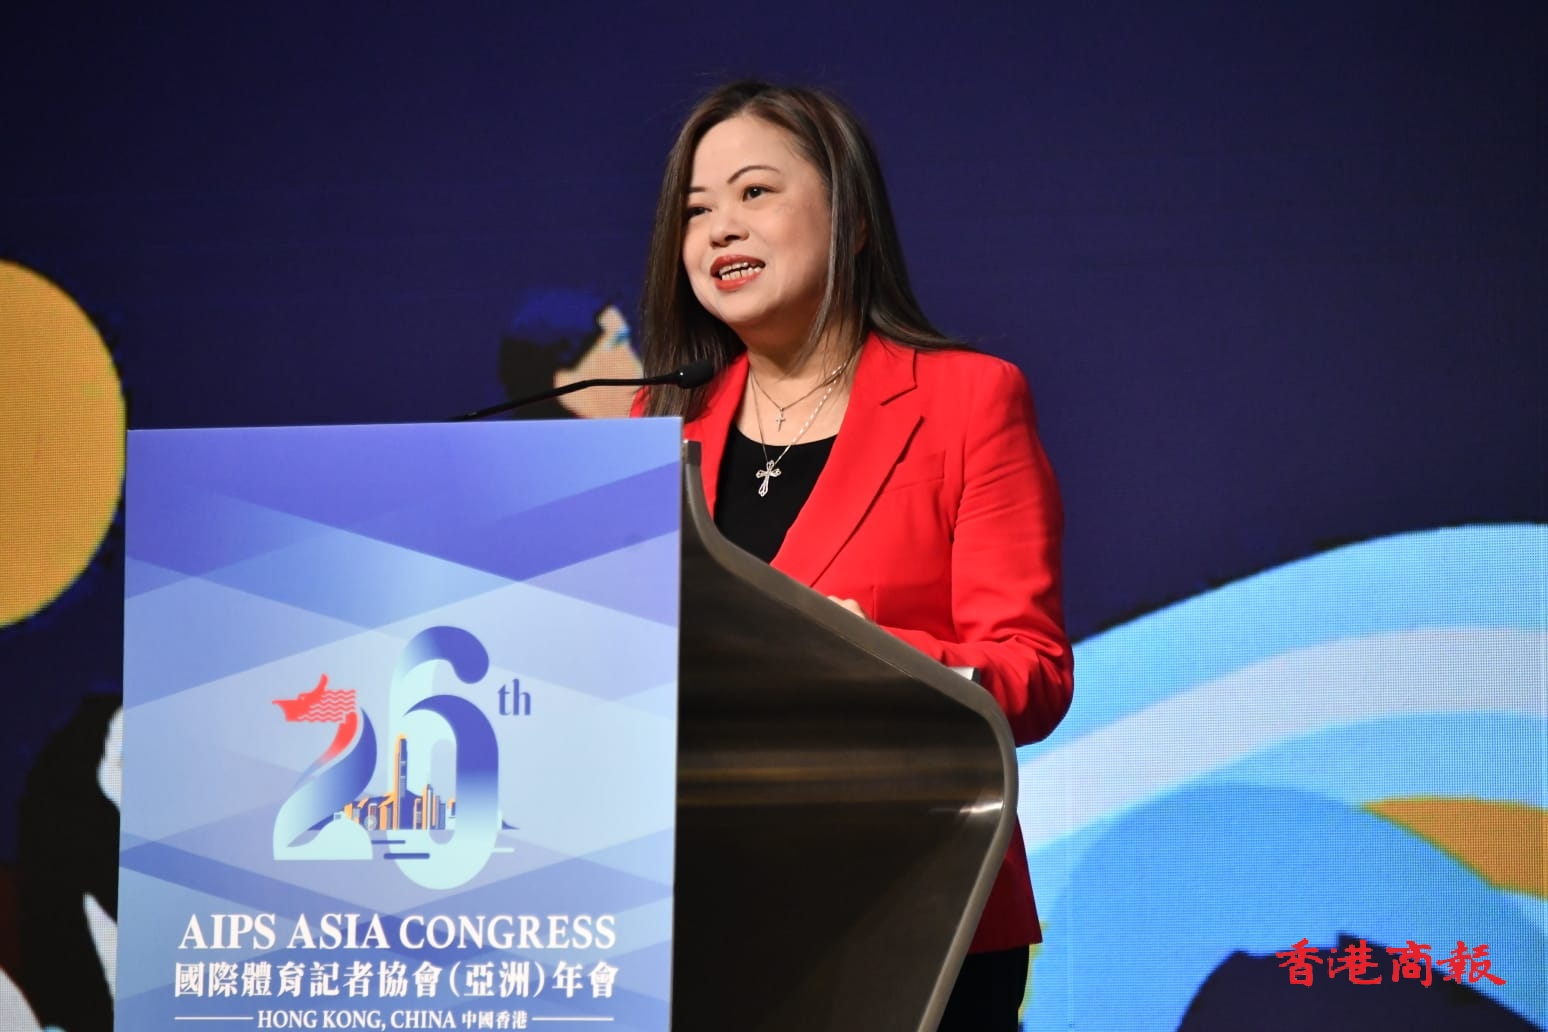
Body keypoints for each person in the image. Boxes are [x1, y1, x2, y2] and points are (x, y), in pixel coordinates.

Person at [633, 80, 1074, 1031]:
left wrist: (874, 658)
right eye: (696, 210)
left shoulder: (969, 401)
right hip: (695, 914)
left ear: (854, 220)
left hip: (913, 905)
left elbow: (1033, 673)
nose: (719, 228)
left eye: (755, 193)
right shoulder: (656, 424)